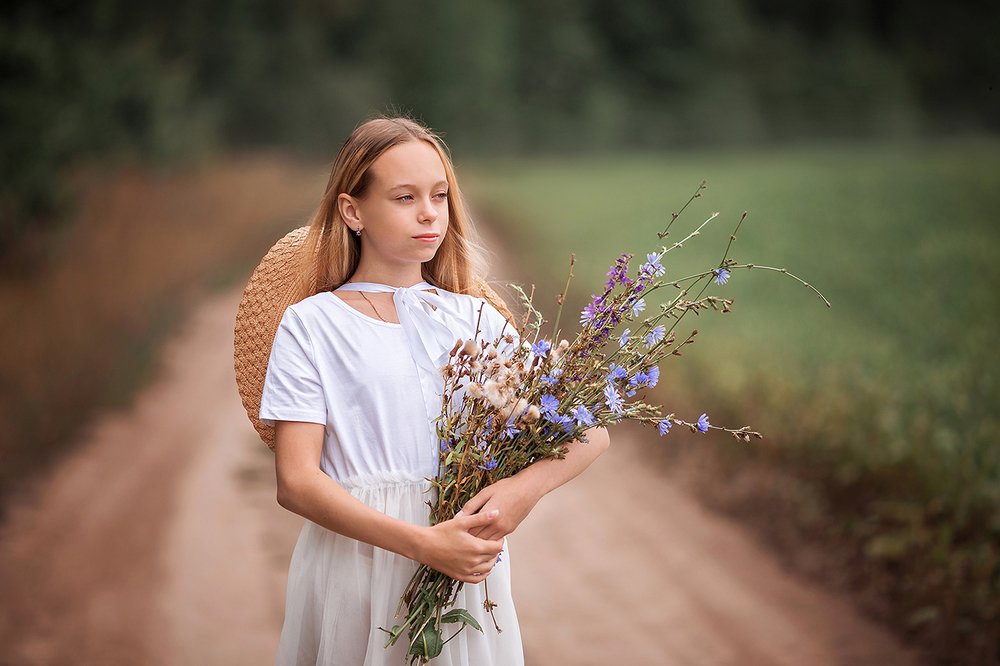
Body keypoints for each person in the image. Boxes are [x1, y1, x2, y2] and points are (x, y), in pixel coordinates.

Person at [258, 114, 611, 665]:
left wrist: (521, 493)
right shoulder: (312, 324)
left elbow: (590, 434)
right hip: (357, 563)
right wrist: (423, 544)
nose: (429, 213)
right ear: (353, 211)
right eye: (404, 197)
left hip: (464, 572)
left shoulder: (475, 322)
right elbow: (296, 482)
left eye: (440, 195)